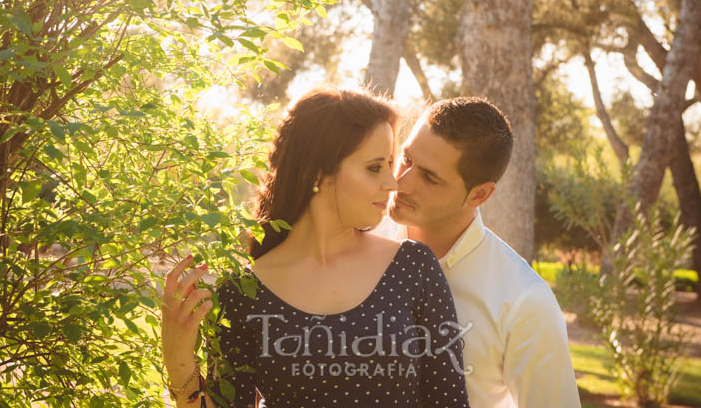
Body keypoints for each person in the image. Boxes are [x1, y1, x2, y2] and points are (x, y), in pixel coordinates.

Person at [161, 88, 471, 408]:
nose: (393, 183)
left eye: (390, 164)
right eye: (375, 167)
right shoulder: (241, 292)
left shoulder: (413, 266)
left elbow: (449, 402)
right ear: (319, 171)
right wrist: (179, 364)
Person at [386, 97, 581, 408]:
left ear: (479, 194)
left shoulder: (524, 301)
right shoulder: (354, 237)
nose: (401, 182)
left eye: (430, 177)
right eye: (406, 159)